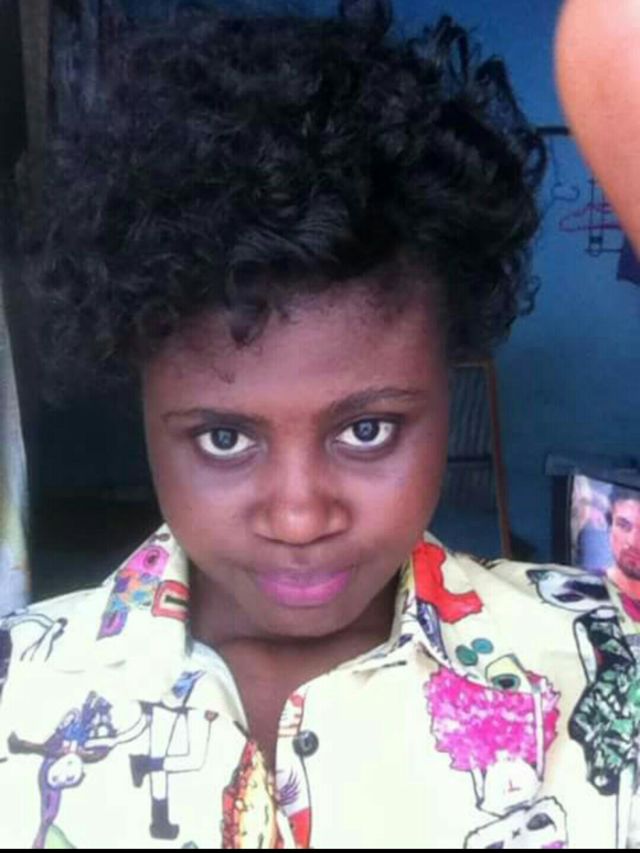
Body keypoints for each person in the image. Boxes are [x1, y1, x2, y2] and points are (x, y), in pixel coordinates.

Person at [3, 0, 639, 847]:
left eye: (366, 430)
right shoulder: (19, 687)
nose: (300, 516)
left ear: (446, 379)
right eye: (225, 438)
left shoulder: (604, 657)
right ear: (143, 404)